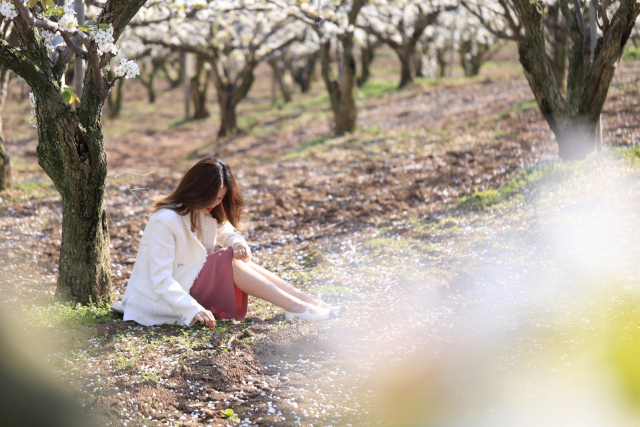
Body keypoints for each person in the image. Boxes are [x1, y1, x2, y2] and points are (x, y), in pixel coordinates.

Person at [113, 158, 344, 329]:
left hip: (190, 282)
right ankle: (298, 309)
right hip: (167, 297)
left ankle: (309, 303)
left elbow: (225, 230)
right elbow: (161, 281)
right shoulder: (164, 220)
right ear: (196, 190)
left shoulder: (203, 210)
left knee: (230, 256)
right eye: (212, 196)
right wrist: (192, 309)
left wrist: (236, 242)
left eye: (221, 197)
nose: (216, 203)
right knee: (226, 261)